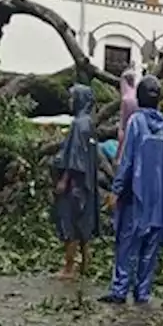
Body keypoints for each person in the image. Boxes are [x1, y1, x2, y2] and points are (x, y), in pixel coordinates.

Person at [102, 74, 163, 305]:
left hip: (136, 197)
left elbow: (127, 160)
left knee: (127, 245)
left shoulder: (136, 122)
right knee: (149, 250)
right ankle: (142, 293)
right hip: (159, 201)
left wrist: (116, 190)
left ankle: (119, 290)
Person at [53, 84, 100, 279]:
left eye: (73, 98)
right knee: (84, 223)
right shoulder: (89, 123)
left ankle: (69, 267)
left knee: (70, 223)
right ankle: (86, 263)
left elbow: (75, 158)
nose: (70, 101)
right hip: (87, 183)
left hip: (75, 184)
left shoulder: (79, 125)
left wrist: (64, 180)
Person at [117, 65, 139, 153]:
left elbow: (123, 117)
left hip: (127, 131)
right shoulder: (137, 94)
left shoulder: (126, 98)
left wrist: (120, 129)